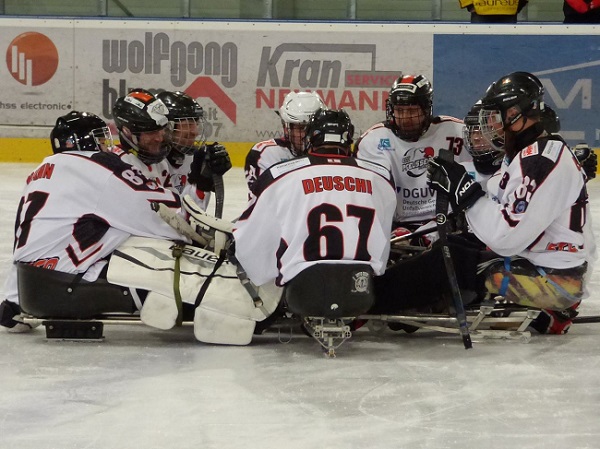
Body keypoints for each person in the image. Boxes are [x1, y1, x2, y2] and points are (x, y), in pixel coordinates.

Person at [427, 71, 596, 334]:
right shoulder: (528, 154)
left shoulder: (539, 159)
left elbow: (505, 237)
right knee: (456, 245)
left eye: (495, 117)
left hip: (558, 279)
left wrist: (464, 192)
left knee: (453, 260)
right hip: (548, 264)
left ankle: (375, 299)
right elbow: (501, 198)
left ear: (515, 115)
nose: (489, 127)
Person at [0, 111, 186, 332]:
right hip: (66, 284)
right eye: (100, 139)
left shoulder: (40, 171)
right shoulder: (96, 165)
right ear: (81, 142)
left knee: (104, 226)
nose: (106, 146)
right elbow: (159, 212)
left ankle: (15, 298)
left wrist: (13, 298)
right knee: (144, 243)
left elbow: (29, 239)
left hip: (29, 285)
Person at [234, 108, 396, 289]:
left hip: (301, 290)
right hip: (361, 288)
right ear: (348, 138)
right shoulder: (380, 177)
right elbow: (382, 247)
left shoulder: (282, 175)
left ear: (311, 138)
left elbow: (250, 245)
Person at [355, 74, 470, 235]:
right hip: (396, 226)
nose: (405, 118)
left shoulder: (457, 132)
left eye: (412, 111)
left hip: (445, 222)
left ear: (426, 109)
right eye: (400, 111)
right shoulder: (373, 141)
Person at [156, 90, 232, 211]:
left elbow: (190, 215)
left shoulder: (194, 159)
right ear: (167, 127)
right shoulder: (150, 163)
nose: (195, 132)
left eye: (196, 124)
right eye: (188, 124)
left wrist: (203, 182)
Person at [244, 91, 325, 198]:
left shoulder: (335, 156)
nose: (307, 135)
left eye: (312, 129)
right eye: (300, 128)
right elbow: (263, 203)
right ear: (287, 129)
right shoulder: (266, 154)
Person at [459, 0, 528, 23]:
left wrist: (519, 4)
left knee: (508, 47)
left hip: (508, 11)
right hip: (480, 12)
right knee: (479, 46)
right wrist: (470, 5)